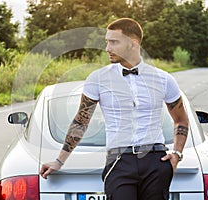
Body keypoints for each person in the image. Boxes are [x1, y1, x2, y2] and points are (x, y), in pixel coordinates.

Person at [40, 18, 189, 200]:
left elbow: (181, 119)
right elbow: (81, 121)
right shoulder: (98, 79)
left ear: (133, 43)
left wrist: (177, 154)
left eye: (114, 42)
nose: (107, 48)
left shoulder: (164, 79)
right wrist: (59, 160)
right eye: (107, 42)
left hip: (155, 160)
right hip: (119, 161)